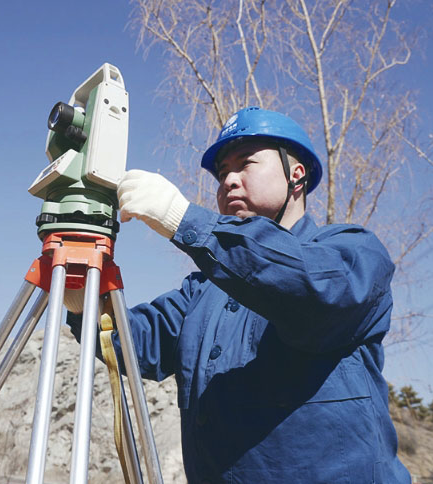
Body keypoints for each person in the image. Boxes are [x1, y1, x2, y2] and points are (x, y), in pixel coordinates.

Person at [68, 107, 411, 483]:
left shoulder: (353, 252)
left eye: (245, 163)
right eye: (222, 173)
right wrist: (84, 301)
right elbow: (137, 344)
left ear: (296, 174)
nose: (228, 180)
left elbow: (311, 288)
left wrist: (183, 220)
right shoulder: (204, 289)